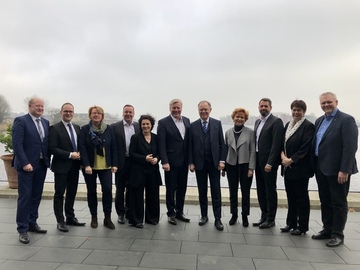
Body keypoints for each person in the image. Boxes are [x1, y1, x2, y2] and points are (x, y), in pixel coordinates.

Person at [311, 92, 358, 247]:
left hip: (338, 170)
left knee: (338, 202)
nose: (326, 105)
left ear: (336, 102)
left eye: (329, 102)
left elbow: (350, 147)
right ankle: (327, 229)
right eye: (323, 103)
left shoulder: (347, 120)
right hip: (321, 167)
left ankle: (337, 234)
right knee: (325, 200)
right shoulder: (319, 120)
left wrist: (345, 169)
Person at [12, 97, 50, 244]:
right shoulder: (21, 121)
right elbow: (17, 145)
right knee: (25, 197)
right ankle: (22, 229)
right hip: (26, 166)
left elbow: (45, 144)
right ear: (30, 106)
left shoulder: (46, 122)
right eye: (37, 106)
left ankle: (32, 223)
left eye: (42, 106)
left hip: (41, 165)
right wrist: (25, 163)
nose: (40, 108)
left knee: (36, 196)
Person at [189, 100, 226, 231]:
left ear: (210, 110)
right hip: (199, 164)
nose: (203, 112)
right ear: (198, 110)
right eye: (201, 110)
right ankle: (204, 216)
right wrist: (191, 162)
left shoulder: (217, 124)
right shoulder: (192, 126)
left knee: (216, 192)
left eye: (206, 109)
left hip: (214, 164)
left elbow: (222, 144)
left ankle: (218, 219)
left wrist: (222, 161)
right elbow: (190, 146)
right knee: (202, 191)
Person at [79, 105, 118, 229]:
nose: (96, 115)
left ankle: (107, 218)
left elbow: (114, 147)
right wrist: (86, 165)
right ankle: (94, 217)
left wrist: (115, 164)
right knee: (91, 191)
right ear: (90, 115)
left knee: (107, 190)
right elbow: (82, 147)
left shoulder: (109, 129)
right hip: (90, 167)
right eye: (94, 113)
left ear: (102, 116)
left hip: (106, 166)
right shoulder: (85, 129)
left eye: (99, 113)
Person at [280, 100, 314, 235]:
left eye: (299, 110)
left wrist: (291, 160)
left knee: (302, 198)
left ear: (303, 112)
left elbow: (306, 147)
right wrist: (282, 156)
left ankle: (302, 226)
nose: (296, 112)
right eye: (294, 110)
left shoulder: (308, 126)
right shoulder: (288, 124)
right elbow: (283, 143)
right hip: (287, 169)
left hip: (300, 169)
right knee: (291, 197)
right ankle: (291, 223)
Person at [49, 102, 85, 232]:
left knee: (72, 192)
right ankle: (60, 221)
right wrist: (70, 155)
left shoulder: (77, 128)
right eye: (66, 111)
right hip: (61, 167)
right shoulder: (54, 128)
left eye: (70, 111)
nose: (68, 114)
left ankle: (70, 217)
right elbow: (52, 148)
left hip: (75, 167)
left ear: (73, 113)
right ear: (61, 113)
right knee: (59, 194)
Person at [157, 99, 191, 225]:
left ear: (181, 108)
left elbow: (188, 142)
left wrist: (191, 161)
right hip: (170, 163)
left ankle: (180, 211)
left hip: (184, 161)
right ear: (169, 108)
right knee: (171, 189)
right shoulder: (163, 123)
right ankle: (171, 213)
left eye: (178, 108)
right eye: (173, 108)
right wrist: (164, 161)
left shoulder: (187, 121)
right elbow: (161, 144)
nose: (176, 110)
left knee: (182, 188)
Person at [253, 98, 284, 229]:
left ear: (270, 107)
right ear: (258, 107)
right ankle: (264, 216)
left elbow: (276, 145)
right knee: (260, 189)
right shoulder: (257, 122)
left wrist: (270, 163)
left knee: (270, 190)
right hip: (258, 160)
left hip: (268, 163)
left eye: (266, 106)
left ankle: (271, 219)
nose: (263, 108)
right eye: (261, 106)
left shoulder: (276, 122)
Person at [128, 114, 162, 228]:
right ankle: (137, 220)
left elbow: (159, 153)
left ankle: (151, 218)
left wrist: (157, 159)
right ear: (140, 125)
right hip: (138, 171)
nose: (145, 126)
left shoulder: (156, 137)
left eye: (148, 124)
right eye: (143, 124)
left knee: (153, 195)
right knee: (137, 196)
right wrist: (144, 158)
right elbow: (131, 154)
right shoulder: (135, 137)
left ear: (152, 125)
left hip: (153, 170)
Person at [223, 108, 255, 227]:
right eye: (237, 117)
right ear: (233, 118)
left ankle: (245, 215)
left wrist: (251, 168)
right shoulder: (228, 133)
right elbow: (225, 150)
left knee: (245, 192)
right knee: (233, 191)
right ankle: (234, 214)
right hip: (231, 165)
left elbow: (252, 150)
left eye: (242, 117)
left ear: (245, 119)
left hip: (245, 165)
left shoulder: (250, 132)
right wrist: (224, 168)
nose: (239, 119)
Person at [111, 104, 140, 224]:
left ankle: (129, 211)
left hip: (134, 162)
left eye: (130, 112)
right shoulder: (114, 127)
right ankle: (121, 213)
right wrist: (113, 163)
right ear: (122, 113)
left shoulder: (138, 126)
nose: (128, 114)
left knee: (131, 188)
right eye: (126, 112)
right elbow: (112, 146)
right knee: (120, 189)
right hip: (120, 162)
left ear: (133, 113)